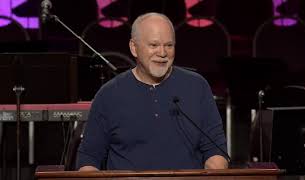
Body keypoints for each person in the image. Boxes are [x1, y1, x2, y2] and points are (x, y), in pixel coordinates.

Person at [76, 12, 228, 171]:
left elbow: (215, 152)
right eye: (154, 45)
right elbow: (89, 159)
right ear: (134, 48)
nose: (162, 53)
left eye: (169, 45)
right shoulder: (108, 94)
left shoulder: (197, 87)